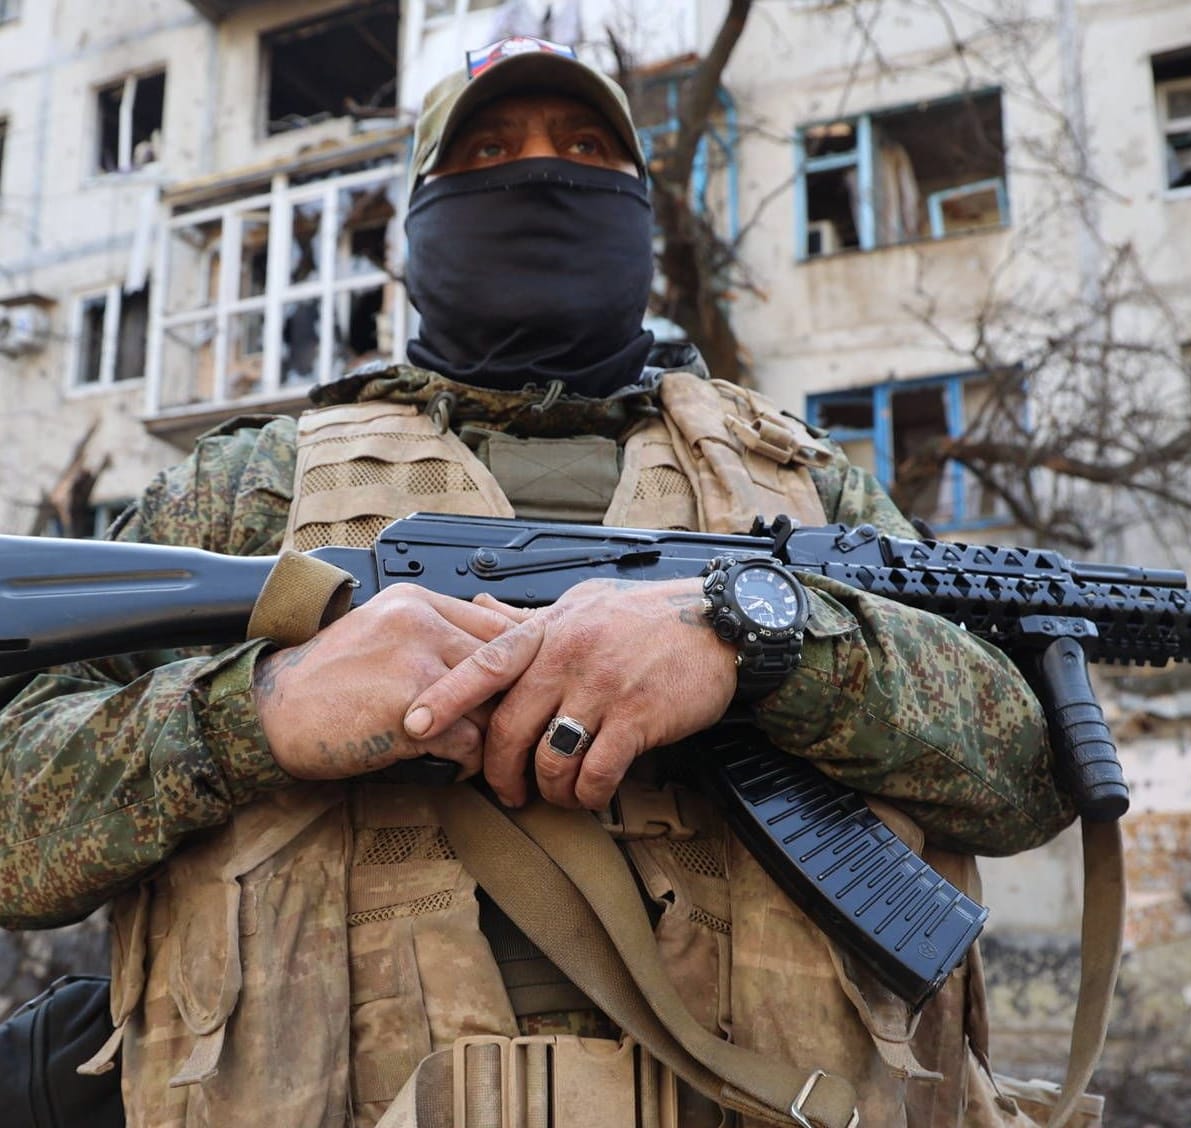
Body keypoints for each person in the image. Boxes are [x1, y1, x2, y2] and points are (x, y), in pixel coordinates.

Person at [0, 38, 1079, 1128]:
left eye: (587, 149)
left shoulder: (802, 484)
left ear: (642, 219)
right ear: (418, 222)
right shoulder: (248, 486)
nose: (542, 172)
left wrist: (760, 645)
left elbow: (1027, 770)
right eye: (488, 151)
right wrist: (256, 713)